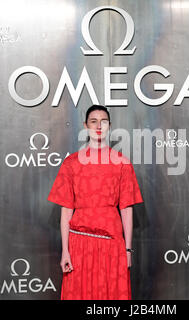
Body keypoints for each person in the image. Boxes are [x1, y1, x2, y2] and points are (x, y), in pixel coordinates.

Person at [47, 105, 144, 300]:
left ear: (109, 126)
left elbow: (126, 208)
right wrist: (65, 251)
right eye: (94, 121)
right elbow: (66, 211)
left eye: (104, 122)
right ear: (85, 125)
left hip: (112, 244)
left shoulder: (122, 162)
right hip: (79, 244)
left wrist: (128, 250)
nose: (99, 126)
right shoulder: (71, 163)